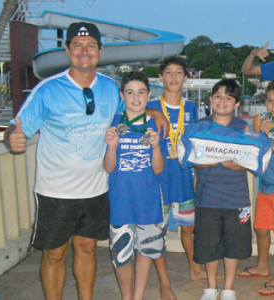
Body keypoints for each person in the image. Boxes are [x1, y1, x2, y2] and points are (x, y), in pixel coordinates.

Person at [3, 22, 169, 300]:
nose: (84, 51)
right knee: (55, 254)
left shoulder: (109, 87)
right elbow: (16, 126)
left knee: (87, 248)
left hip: (96, 187)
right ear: (67, 50)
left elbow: (130, 109)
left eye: (91, 46)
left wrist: (153, 111)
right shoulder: (47, 89)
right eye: (77, 45)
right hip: (55, 189)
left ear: (100, 51)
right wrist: (12, 138)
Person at [146, 56, 204, 299]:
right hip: (157, 179)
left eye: (178, 73)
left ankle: (194, 268)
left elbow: (196, 143)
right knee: (157, 232)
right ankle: (164, 282)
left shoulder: (190, 108)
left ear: (186, 78)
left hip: (183, 177)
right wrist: (149, 110)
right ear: (160, 77)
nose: (173, 77)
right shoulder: (149, 105)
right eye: (168, 72)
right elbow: (127, 113)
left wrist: (197, 174)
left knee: (189, 228)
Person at [104, 71, 164, 300]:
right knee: (120, 255)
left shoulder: (154, 125)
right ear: (122, 95)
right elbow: (109, 168)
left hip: (148, 201)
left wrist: (157, 147)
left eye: (141, 93)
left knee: (146, 251)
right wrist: (111, 147)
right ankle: (126, 297)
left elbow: (158, 169)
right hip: (120, 200)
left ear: (148, 95)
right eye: (130, 93)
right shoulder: (115, 123)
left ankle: (137, 297)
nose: (136, 98)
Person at [192, 79, 252, 300]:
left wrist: (238, 165)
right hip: (207, 197)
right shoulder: (200, 126)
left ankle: (228, 288)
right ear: (210, 99)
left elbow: (250, 160)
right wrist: (204, 162)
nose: (222, 101)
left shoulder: (242, 127)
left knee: (233, 244)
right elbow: (190, 158)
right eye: (218, 96)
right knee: (209, 244)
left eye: (228, 97)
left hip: (236, 197)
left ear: (236, 104)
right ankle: (210, 287)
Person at [238, 79, 274, 297]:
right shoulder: (258, 120)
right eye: (270, 101)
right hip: (264, 185)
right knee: (261, 228)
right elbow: (256, 156)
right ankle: (263, 266)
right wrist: (262, 135)